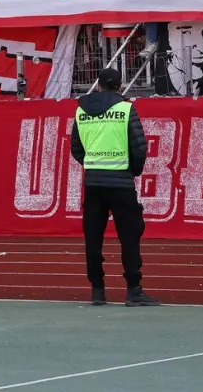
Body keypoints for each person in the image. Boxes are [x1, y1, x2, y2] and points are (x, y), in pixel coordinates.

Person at [69, 68, 157, 306]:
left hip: (93, 183)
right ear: (119, 86)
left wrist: (92, 164)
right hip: (121, 182)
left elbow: (76, 147)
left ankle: (97, 291)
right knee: (129, 237)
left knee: (93, 238)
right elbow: (139, 146)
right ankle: (133, 290)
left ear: (98, 85)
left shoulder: (81, 110)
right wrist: (132, 170)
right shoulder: (126, 108)